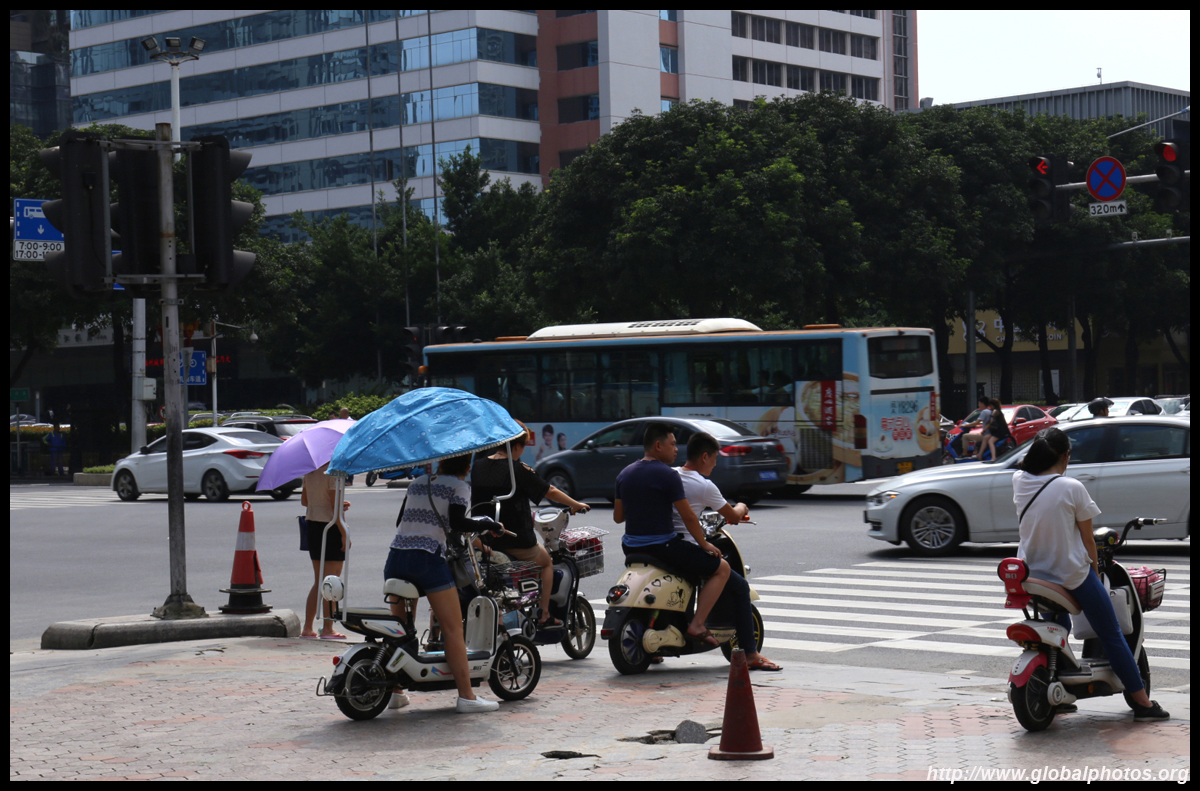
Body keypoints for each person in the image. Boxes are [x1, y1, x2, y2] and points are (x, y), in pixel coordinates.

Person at [1014, 428, 1168, 722]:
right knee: (1111, 633)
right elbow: (1088, 541)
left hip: (1033, 575)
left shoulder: (1019, 481)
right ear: (1065, 456)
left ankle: (1059, 693)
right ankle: (1143, 703)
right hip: (1069, 576)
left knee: (1057, 628)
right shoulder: (1071, 487)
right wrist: (1095, 575)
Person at [385, 453, 505, 713]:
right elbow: (458, 523)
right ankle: (467, 697)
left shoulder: (417, 482)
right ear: (467, 466)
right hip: (427, 559)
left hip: (396, 557)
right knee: (452, 629)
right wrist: (488, 523)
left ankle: (395, 692)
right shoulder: (460, 486)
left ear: (441, 462)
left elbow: (400, 520)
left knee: (400, 628)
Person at [613, 422, 729, 646]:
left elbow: (619, 517)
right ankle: (697, 624)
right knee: (721, 568)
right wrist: (705, 544)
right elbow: (689, 517)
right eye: (673, 444)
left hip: (630, 547)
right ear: (658, 445)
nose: (676, 450)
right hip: (662, 547)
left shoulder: (624, 474)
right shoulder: (668, 475)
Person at [674, 432, 781, 670]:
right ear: (704, 457)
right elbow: (732, 516)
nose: (715, 464)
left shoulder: (671, 475)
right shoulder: (704, 486)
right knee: (739, 586)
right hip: (685, 546)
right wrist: (742, 506)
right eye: (714, 459)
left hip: (662, 543)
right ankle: (750, 654)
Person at [471, 420, 590, 626]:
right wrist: (576, 504)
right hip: (514, 539)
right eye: (524, 446)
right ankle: (544, 614)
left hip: (482, 538)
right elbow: (549, 491)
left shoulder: (479, 465)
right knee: (546, 563)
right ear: (517, 446)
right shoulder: (518, 469)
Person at [300, 462, 350, 640]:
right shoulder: (334, 471)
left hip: (313, 525)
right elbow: (335, 509)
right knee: (331, 581)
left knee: (319, 580)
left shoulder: (310, 472)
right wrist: (344, 533)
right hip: (330, 527)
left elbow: (305, 501)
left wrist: (336, 503)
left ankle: (308, 627)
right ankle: (328, 628)